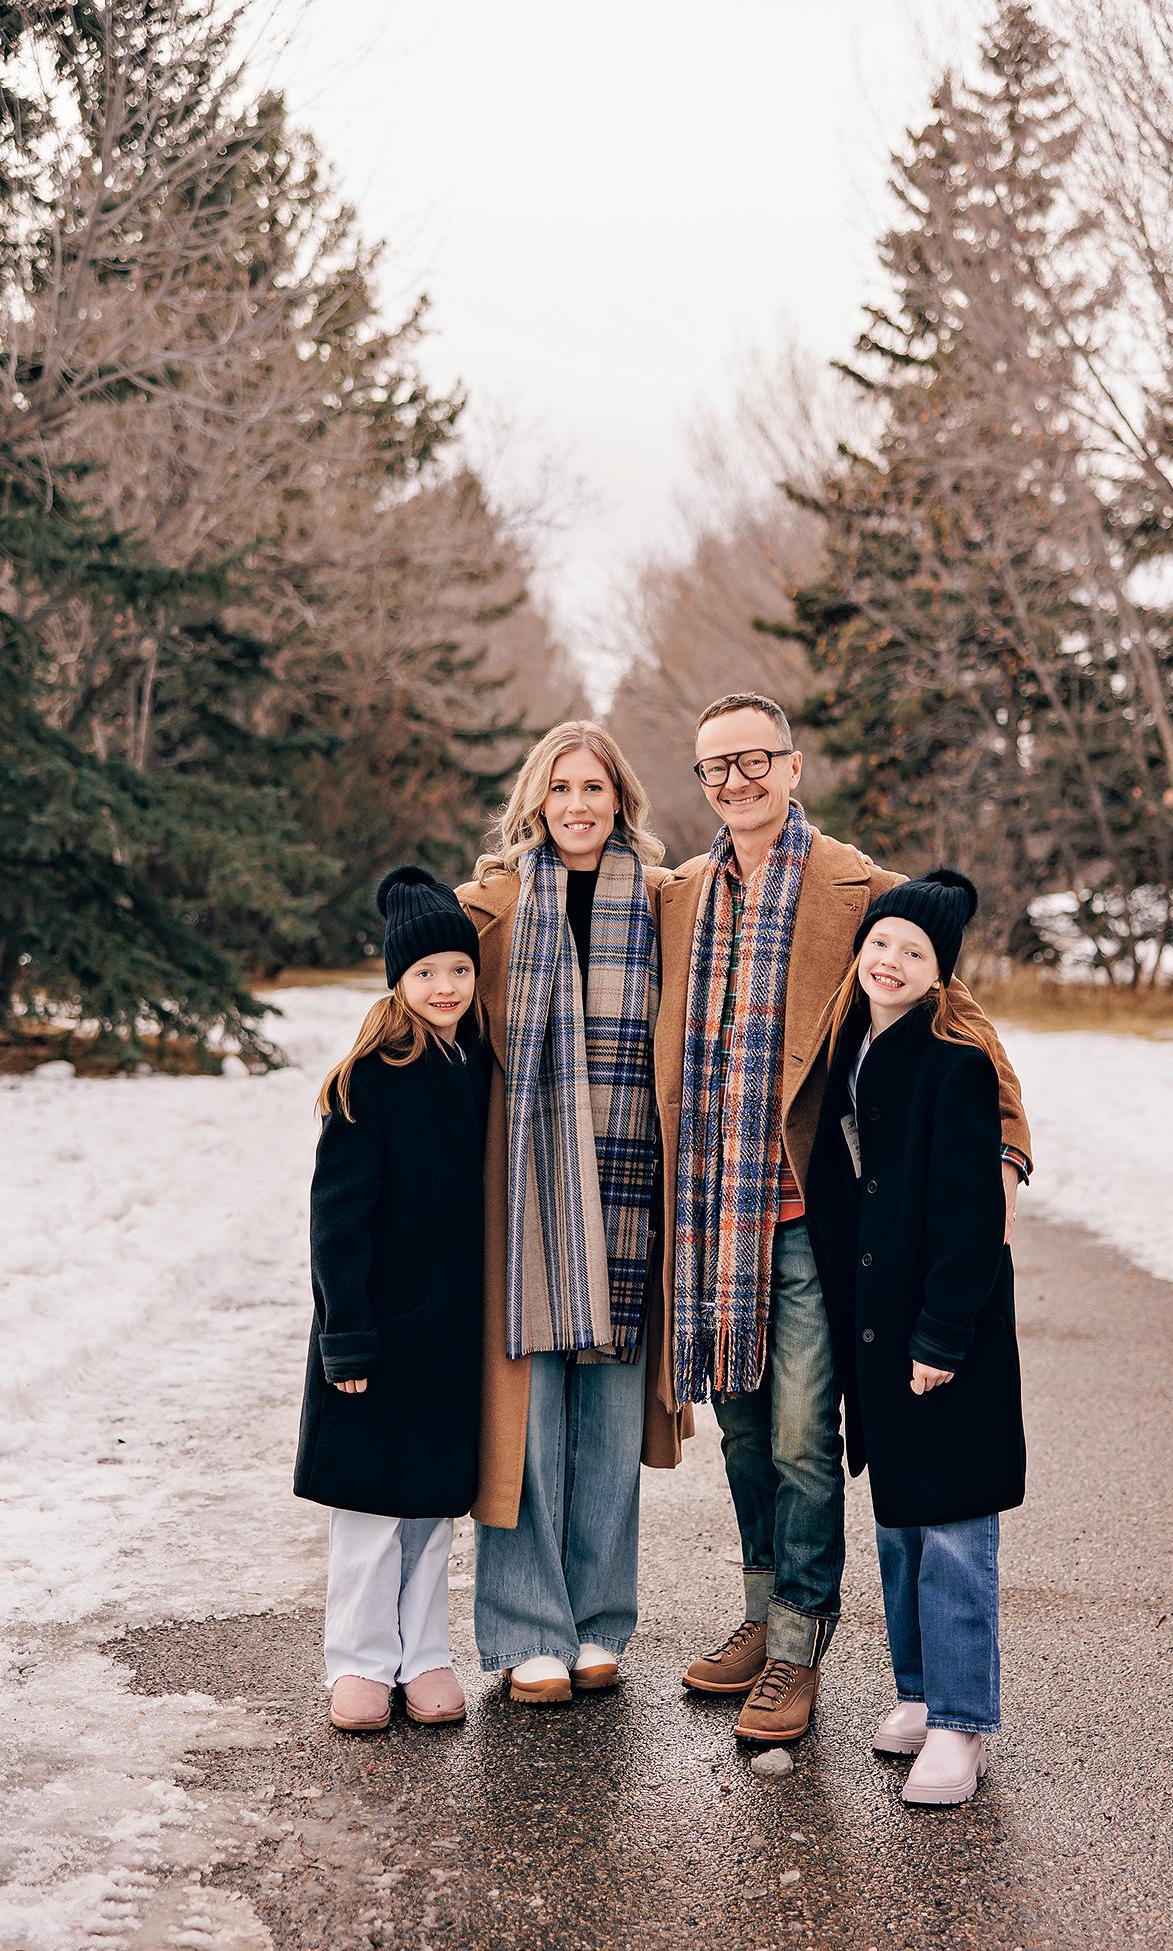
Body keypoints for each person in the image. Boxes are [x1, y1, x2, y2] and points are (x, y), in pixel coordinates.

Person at [654, 692, 1032, 1746]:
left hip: (810, 1218)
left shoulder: (854, 883)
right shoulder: (679, 893)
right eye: (714, 766)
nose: (735, 780)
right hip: (709, 1220)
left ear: (792, 764)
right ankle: (759, 1604)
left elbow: (962, 1018)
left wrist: (1006, 1142)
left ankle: (797, 1643)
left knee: (801, 1441)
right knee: (739, 1437)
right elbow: (559, 877)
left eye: (753, 759)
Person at [457, 724, 689, 1705]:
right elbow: (417, 995)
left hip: (633, 1185)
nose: (579, 804)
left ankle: (597, 1621)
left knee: (606, 1423)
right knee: (529, 1417)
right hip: (529, 1194)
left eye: (594, 785)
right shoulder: (490, 904)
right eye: (562, 789)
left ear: (620, 796)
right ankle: (525, 1629)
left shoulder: (669, 900)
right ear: (536, 802)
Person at [804, 869, 1026, 1805]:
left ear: (942, 977)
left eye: (914, 952)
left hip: (945, 1337)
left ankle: (963, 1723)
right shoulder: (852, 1049)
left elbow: (971, 1220)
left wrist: (940, 1335)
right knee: (898, 1523)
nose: (889, 961)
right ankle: (917, 1692)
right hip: (877, 1329)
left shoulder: (954, 1063)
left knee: (953, 1529)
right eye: (881, 943)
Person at [293, 866, 487, 1733]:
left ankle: (426, 1655)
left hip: (450, 1332)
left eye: (458, 969)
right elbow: (337, 1225)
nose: (444, 987)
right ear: (398, 982)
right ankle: (360, 1661)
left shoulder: (480, 1065)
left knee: (433, 1507)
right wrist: (348, 1339)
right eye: (425, 974)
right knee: (372, 1507)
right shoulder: (366, 1081)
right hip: (376, 1328)